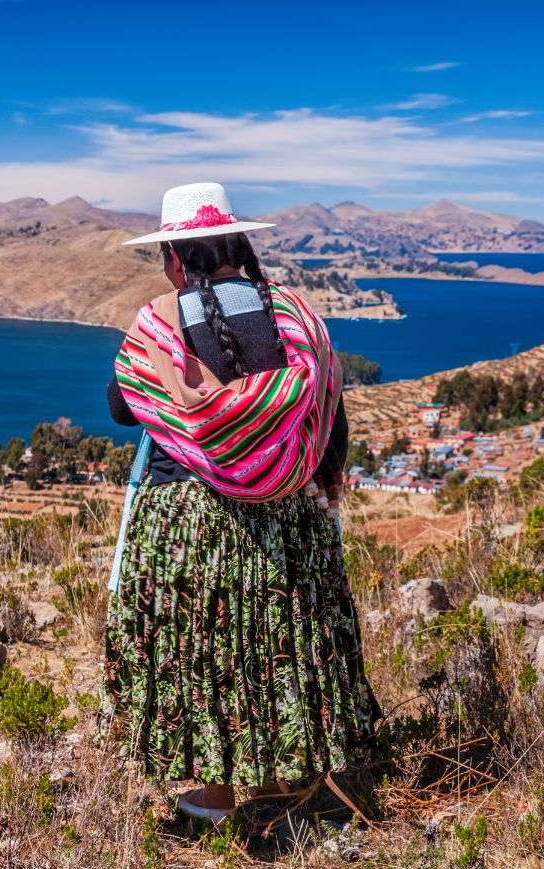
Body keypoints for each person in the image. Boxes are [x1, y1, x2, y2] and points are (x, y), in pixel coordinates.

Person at [102, 183, 380, 822]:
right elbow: (329, 412)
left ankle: (213, 797)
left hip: (188, 522)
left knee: (198, 652)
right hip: (289, 514)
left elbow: (120, 406)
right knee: (285, 642)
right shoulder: (295, 316)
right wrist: (321, 486)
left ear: (175, 258)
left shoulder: (159, 325)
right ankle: (300, 782)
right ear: (238, 244)